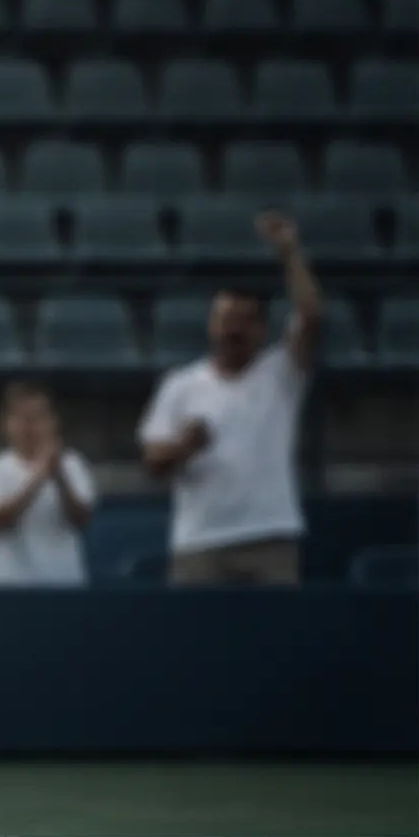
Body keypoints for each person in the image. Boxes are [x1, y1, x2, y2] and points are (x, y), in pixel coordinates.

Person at [139, 212, 321, 587]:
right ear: (211, 325)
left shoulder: (281, 373)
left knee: (275, 643)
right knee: (195, 645)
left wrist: (289, 253)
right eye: (224, 319)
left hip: (269, 536)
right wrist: (184, 448)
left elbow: (311, 315)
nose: (232, 329)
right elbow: (153, 462)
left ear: (260, 329)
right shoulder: (180, 384)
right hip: (201, 541)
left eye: (243, 320)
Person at [0, 381, 97, 588]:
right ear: (6, 423)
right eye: (21, 419)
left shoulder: (74, 464)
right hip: (10, 587)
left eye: (37, 418)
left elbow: (81, 519)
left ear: (53, 422)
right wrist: (39, 477)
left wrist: (59, 476)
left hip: (66, 584)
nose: (28, 427)